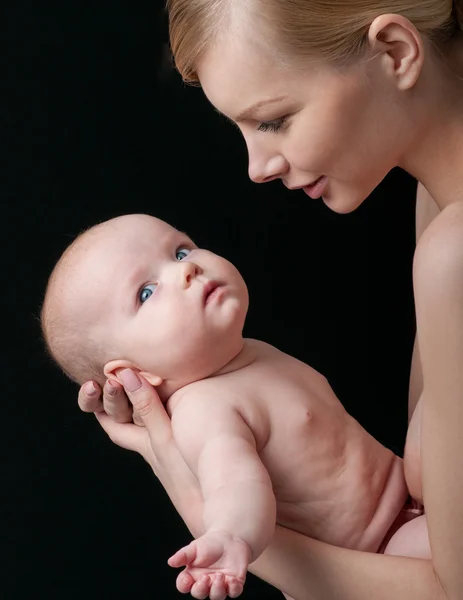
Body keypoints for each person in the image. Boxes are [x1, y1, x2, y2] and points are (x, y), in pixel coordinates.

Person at [76, 2, 463, 600]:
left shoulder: (454, 252)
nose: (256, 168)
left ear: (395, 52)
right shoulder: (435, 205)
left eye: (274, 120)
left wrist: (195, 497)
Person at [41, 213, 428, 600]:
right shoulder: (203, 409)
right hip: (377, 552)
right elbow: (234, 482)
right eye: (146, 292)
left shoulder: (248, 355)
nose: (188, 270)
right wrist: (230, 535)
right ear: (133, 372)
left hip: (404, 509)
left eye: (179, 251)